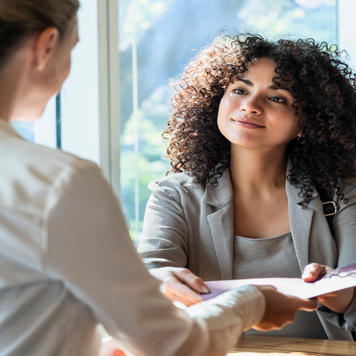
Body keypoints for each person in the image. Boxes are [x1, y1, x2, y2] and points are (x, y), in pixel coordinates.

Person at [0, 2, 318, 356]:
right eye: (73, 49)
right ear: (46, 46)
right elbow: (169, 344)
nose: (250, 105)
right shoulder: (59, 182)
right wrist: (251, 302)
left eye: (276, 97)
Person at [138, 34, 356, 340]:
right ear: (216, 100)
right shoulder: (174, 195)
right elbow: (151, 276)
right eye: (240, 90)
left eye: (277, 97)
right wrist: (159, 280)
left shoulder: (340, 195)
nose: (250, 106)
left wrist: (333, 291)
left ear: (308, 120)